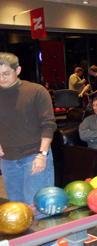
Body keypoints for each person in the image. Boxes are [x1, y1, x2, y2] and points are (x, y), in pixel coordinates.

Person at [0, 52, 57, 205]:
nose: (1, 78)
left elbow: (48, 124)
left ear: (17, 70)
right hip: (8, 158)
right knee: (18, 208)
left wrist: (42, 154)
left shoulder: (36, 91)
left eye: (6, 74)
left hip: (34, 155)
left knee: (37, 206)